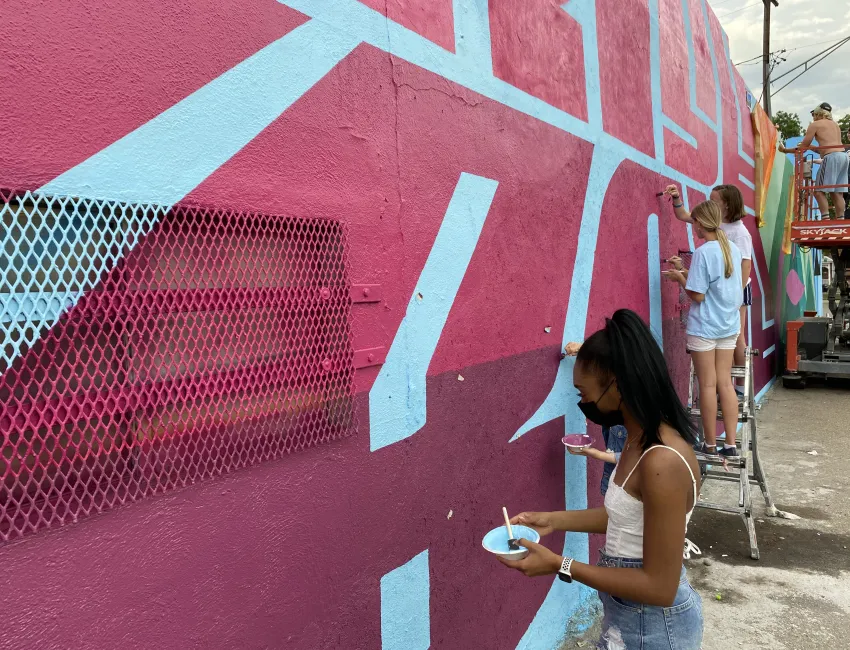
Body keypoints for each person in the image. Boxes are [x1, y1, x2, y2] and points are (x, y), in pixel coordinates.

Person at [498, 310, 703, 650]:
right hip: (628, 616)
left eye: (583, 392)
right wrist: (551, 521)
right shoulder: (637, 441)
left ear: (617, 384)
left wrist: (559, 565)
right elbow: (627, 518)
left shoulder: (661, 462)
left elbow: (660, 587)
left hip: (653, 628)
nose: (583, 403)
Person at [662, 201, 742, 457]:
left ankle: (708, 445)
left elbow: (697, 295)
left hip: (705, 327)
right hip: (728, 326)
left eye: (693, 222)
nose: (692, 226)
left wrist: (679, 277)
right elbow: (718, 284)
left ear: (699, 223)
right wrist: (685, 271)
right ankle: (730, 444)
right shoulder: (733, 248)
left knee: (707, 386)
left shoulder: (703, 251)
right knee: (726, 385)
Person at [664, 184, 752, 385]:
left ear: (727, 205)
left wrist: (735, 295)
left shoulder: (739, 233)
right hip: (720, 289)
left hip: (736, 290)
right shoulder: (714, 222)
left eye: (714, 200)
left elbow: (745, 265)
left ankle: (740, 386)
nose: (709, 202)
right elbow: (684, 215)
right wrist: (676, 198)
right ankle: (726, 386)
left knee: (736, 337)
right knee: (726, 341)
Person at [564, 341, 627, 496]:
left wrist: (593, 453)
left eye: (584, 394)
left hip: (624, 491)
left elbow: (636, 458)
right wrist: (584, 350)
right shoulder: (614, 410)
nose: (584, 403)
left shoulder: (635, 418)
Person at [779, 102, 848, 219]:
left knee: (818, 191)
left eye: (813, 114)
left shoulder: (815, 125)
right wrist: (811, 147)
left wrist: (785, 150)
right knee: (837, 192)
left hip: (831, 157)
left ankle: (825, 219)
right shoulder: (835, 125)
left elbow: (802, 148)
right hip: (843, 156)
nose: (813, 117)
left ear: (818, 113)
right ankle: (840, 220)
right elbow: (827, 147)